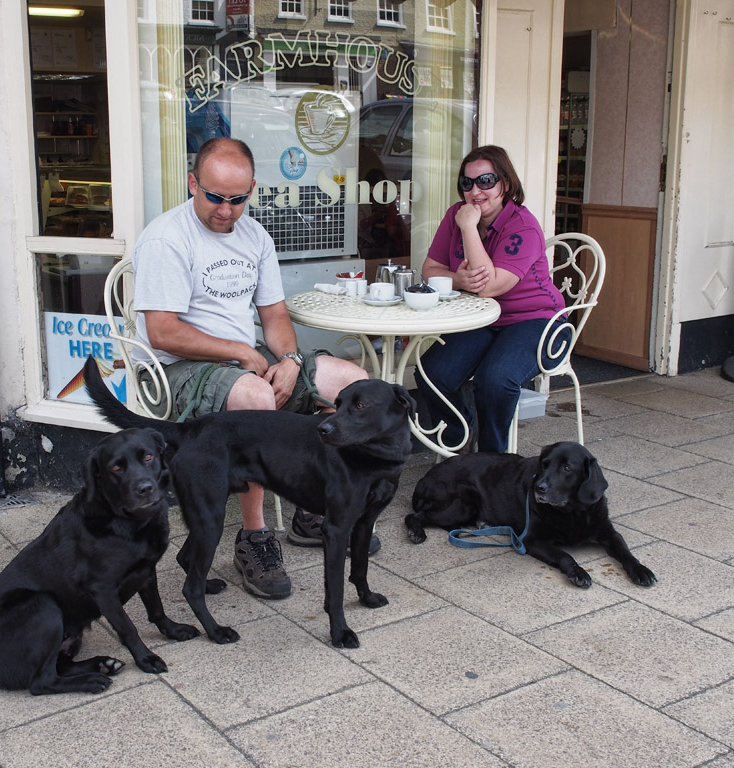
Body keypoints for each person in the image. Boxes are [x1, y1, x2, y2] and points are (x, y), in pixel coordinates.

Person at [129, 137, 373, 600]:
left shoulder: (254, 234)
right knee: (256, 400)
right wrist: (242, 352)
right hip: (177, 369)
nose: (226, 210)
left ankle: (313, 505)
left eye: (238, 199)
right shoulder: (168, 237)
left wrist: (289, 360)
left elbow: (275, 315)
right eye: (215, 197)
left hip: (247, 356)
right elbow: (161, 332)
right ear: (192, 183)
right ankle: (255, 538)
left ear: (252, 190)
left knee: (350, 383)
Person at [414, 145, 568, 454]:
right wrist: (458, 280)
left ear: (505, 184)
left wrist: (469, 226)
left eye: (486, 181)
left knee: (495, 379)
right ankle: (459, 439)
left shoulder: (522, 226)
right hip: (482, 318)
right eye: (467, 183)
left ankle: (491, 461)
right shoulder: (454, 215)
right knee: (432, 373)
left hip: (537, 320)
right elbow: (429, 270)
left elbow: (489, 286)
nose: (475, 190)